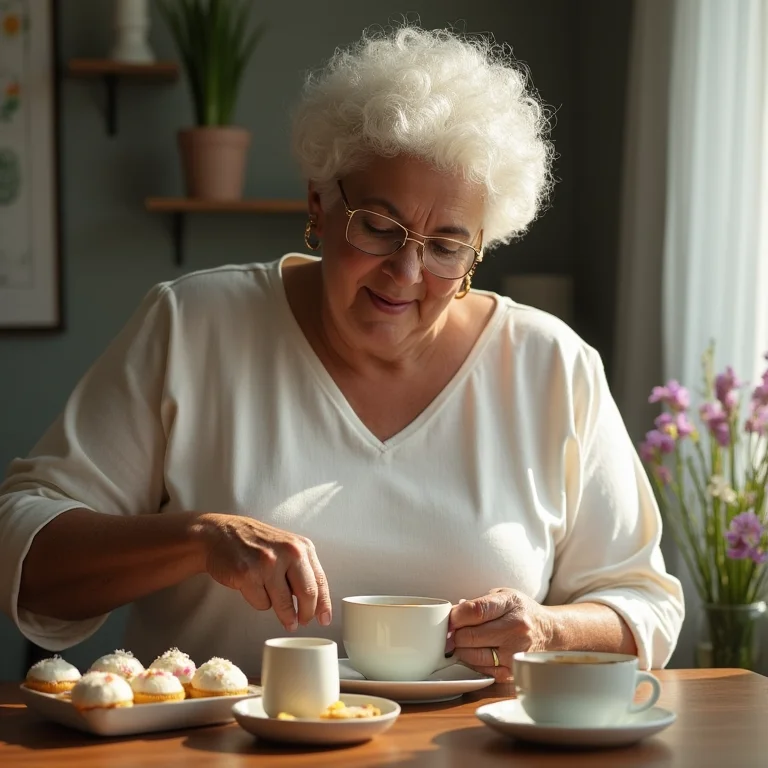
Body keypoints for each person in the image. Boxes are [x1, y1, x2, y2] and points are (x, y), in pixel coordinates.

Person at [0, 24, 683, 678]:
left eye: (445, 246)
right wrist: (197, 539)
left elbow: (647, 602)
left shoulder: (550, 367)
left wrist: (547, 628)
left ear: (478, 253)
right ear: (319, 206)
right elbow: (23, 545)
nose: (406, 274)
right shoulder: (191, 326)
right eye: (379, 227)